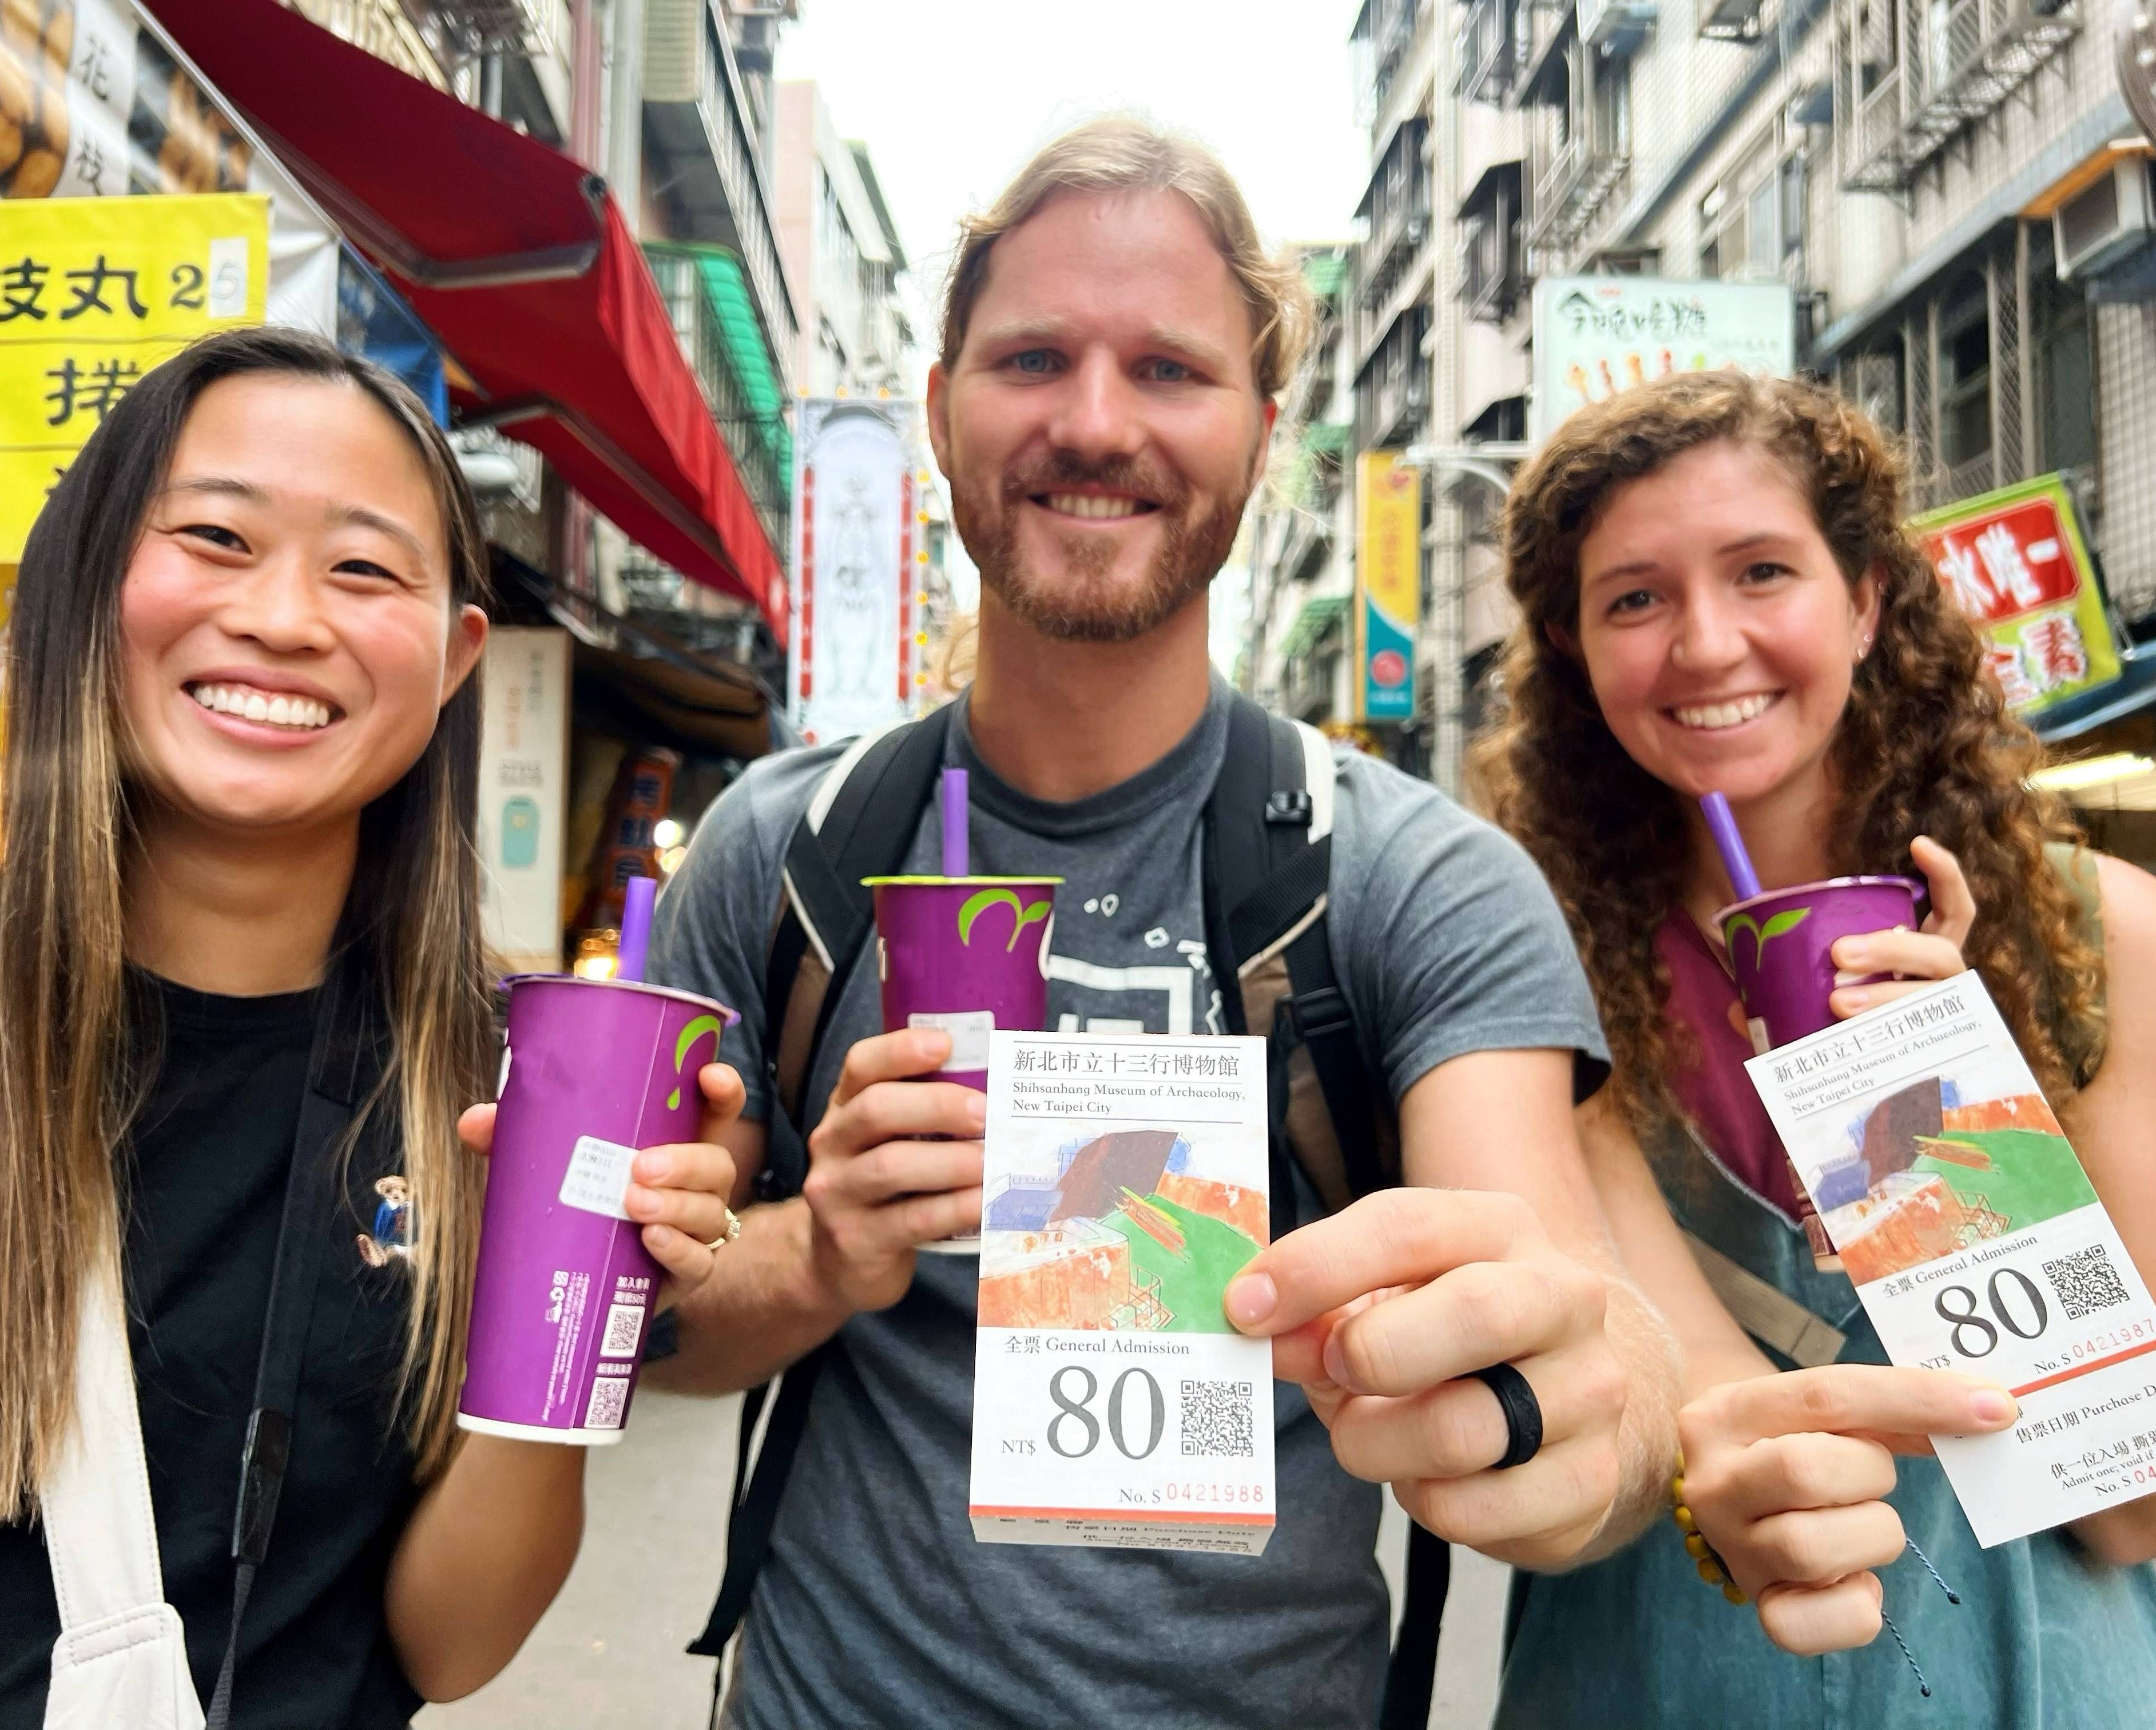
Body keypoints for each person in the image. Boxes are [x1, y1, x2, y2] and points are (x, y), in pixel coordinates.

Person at [637, 116, 1683, 1730]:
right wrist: (820, 1253)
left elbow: (1563, 1366)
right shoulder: (783, 851)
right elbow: (661, 1334)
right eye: (1034, 357)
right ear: (938, 408)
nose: (1096, 422)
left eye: (1172, 372)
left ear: (1266, 433)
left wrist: (1551, 1429)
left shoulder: (1416, 879)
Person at [0, 327, 740, 1727]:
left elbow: (447, 1648)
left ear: (459, 654)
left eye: (362, 567)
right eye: (217, 537)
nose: (286, 618)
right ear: (93, 579)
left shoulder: (502, 1087)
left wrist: (581, 1293)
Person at [1474, 368, 2156, 1725]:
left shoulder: (2111, 941)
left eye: (1762, 573)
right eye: (1634, 597)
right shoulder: (1526, 970)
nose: (1703, 645)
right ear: (1575, 652)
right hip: (1654, 1678)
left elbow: (2146, 1508)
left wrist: (1944, 1120)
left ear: (1865, 602)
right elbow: (1661, 1405)